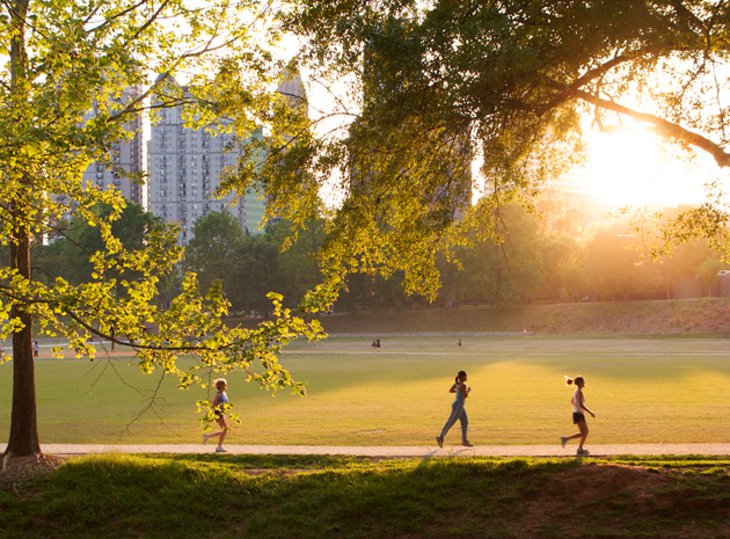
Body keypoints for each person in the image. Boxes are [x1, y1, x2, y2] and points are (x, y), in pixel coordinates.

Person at [436, 370, 473, 448]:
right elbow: (464, 396)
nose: (466, 377)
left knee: (465, 422)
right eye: (465, 376)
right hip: (458, 406)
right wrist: (468, 391)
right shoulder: (463, 385)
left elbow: (451, 390)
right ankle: (441, 437)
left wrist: (458, 391)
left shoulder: (457, 384)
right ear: (462, 377)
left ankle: (464, 440)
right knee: (450, 422)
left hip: (460, 405)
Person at [560, 375, 596, 456]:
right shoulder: (579, 392)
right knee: (585, 432)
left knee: (585, 432)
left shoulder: (576, 391)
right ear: (580, 383)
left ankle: (579, 448)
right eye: (583, 382)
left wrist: (577, 407)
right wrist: (591, 412)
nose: (584, 383)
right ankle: (567, 440)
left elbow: (572, 402)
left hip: (578, 413)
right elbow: (581, 405)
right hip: (578, 414)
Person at [203, 378, 230, 453]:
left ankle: (208, 436)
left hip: (223, 413)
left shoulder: (224, 393)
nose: (226, 385)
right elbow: (213, 405)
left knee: (224, 430)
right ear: (221, 385)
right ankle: (219, 446)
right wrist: (220, 408)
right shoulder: (218, 394)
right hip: (218, 413)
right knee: (225, 429)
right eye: (224, 384)